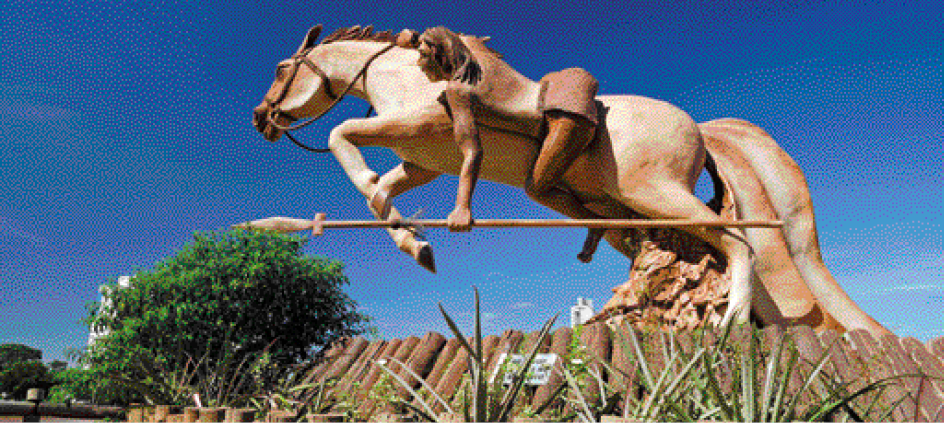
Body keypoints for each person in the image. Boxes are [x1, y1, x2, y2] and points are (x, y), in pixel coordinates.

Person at [406, 27, 606, 258]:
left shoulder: (457, 90)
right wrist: (413, 39)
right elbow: (450, 39)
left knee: (536, 189)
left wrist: (462, 207)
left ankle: (594, 222)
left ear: (439, 55)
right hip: (561, 84)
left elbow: (472, 152)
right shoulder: (477, 54)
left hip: (564, 114)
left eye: (422, 56)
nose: (418, 64)